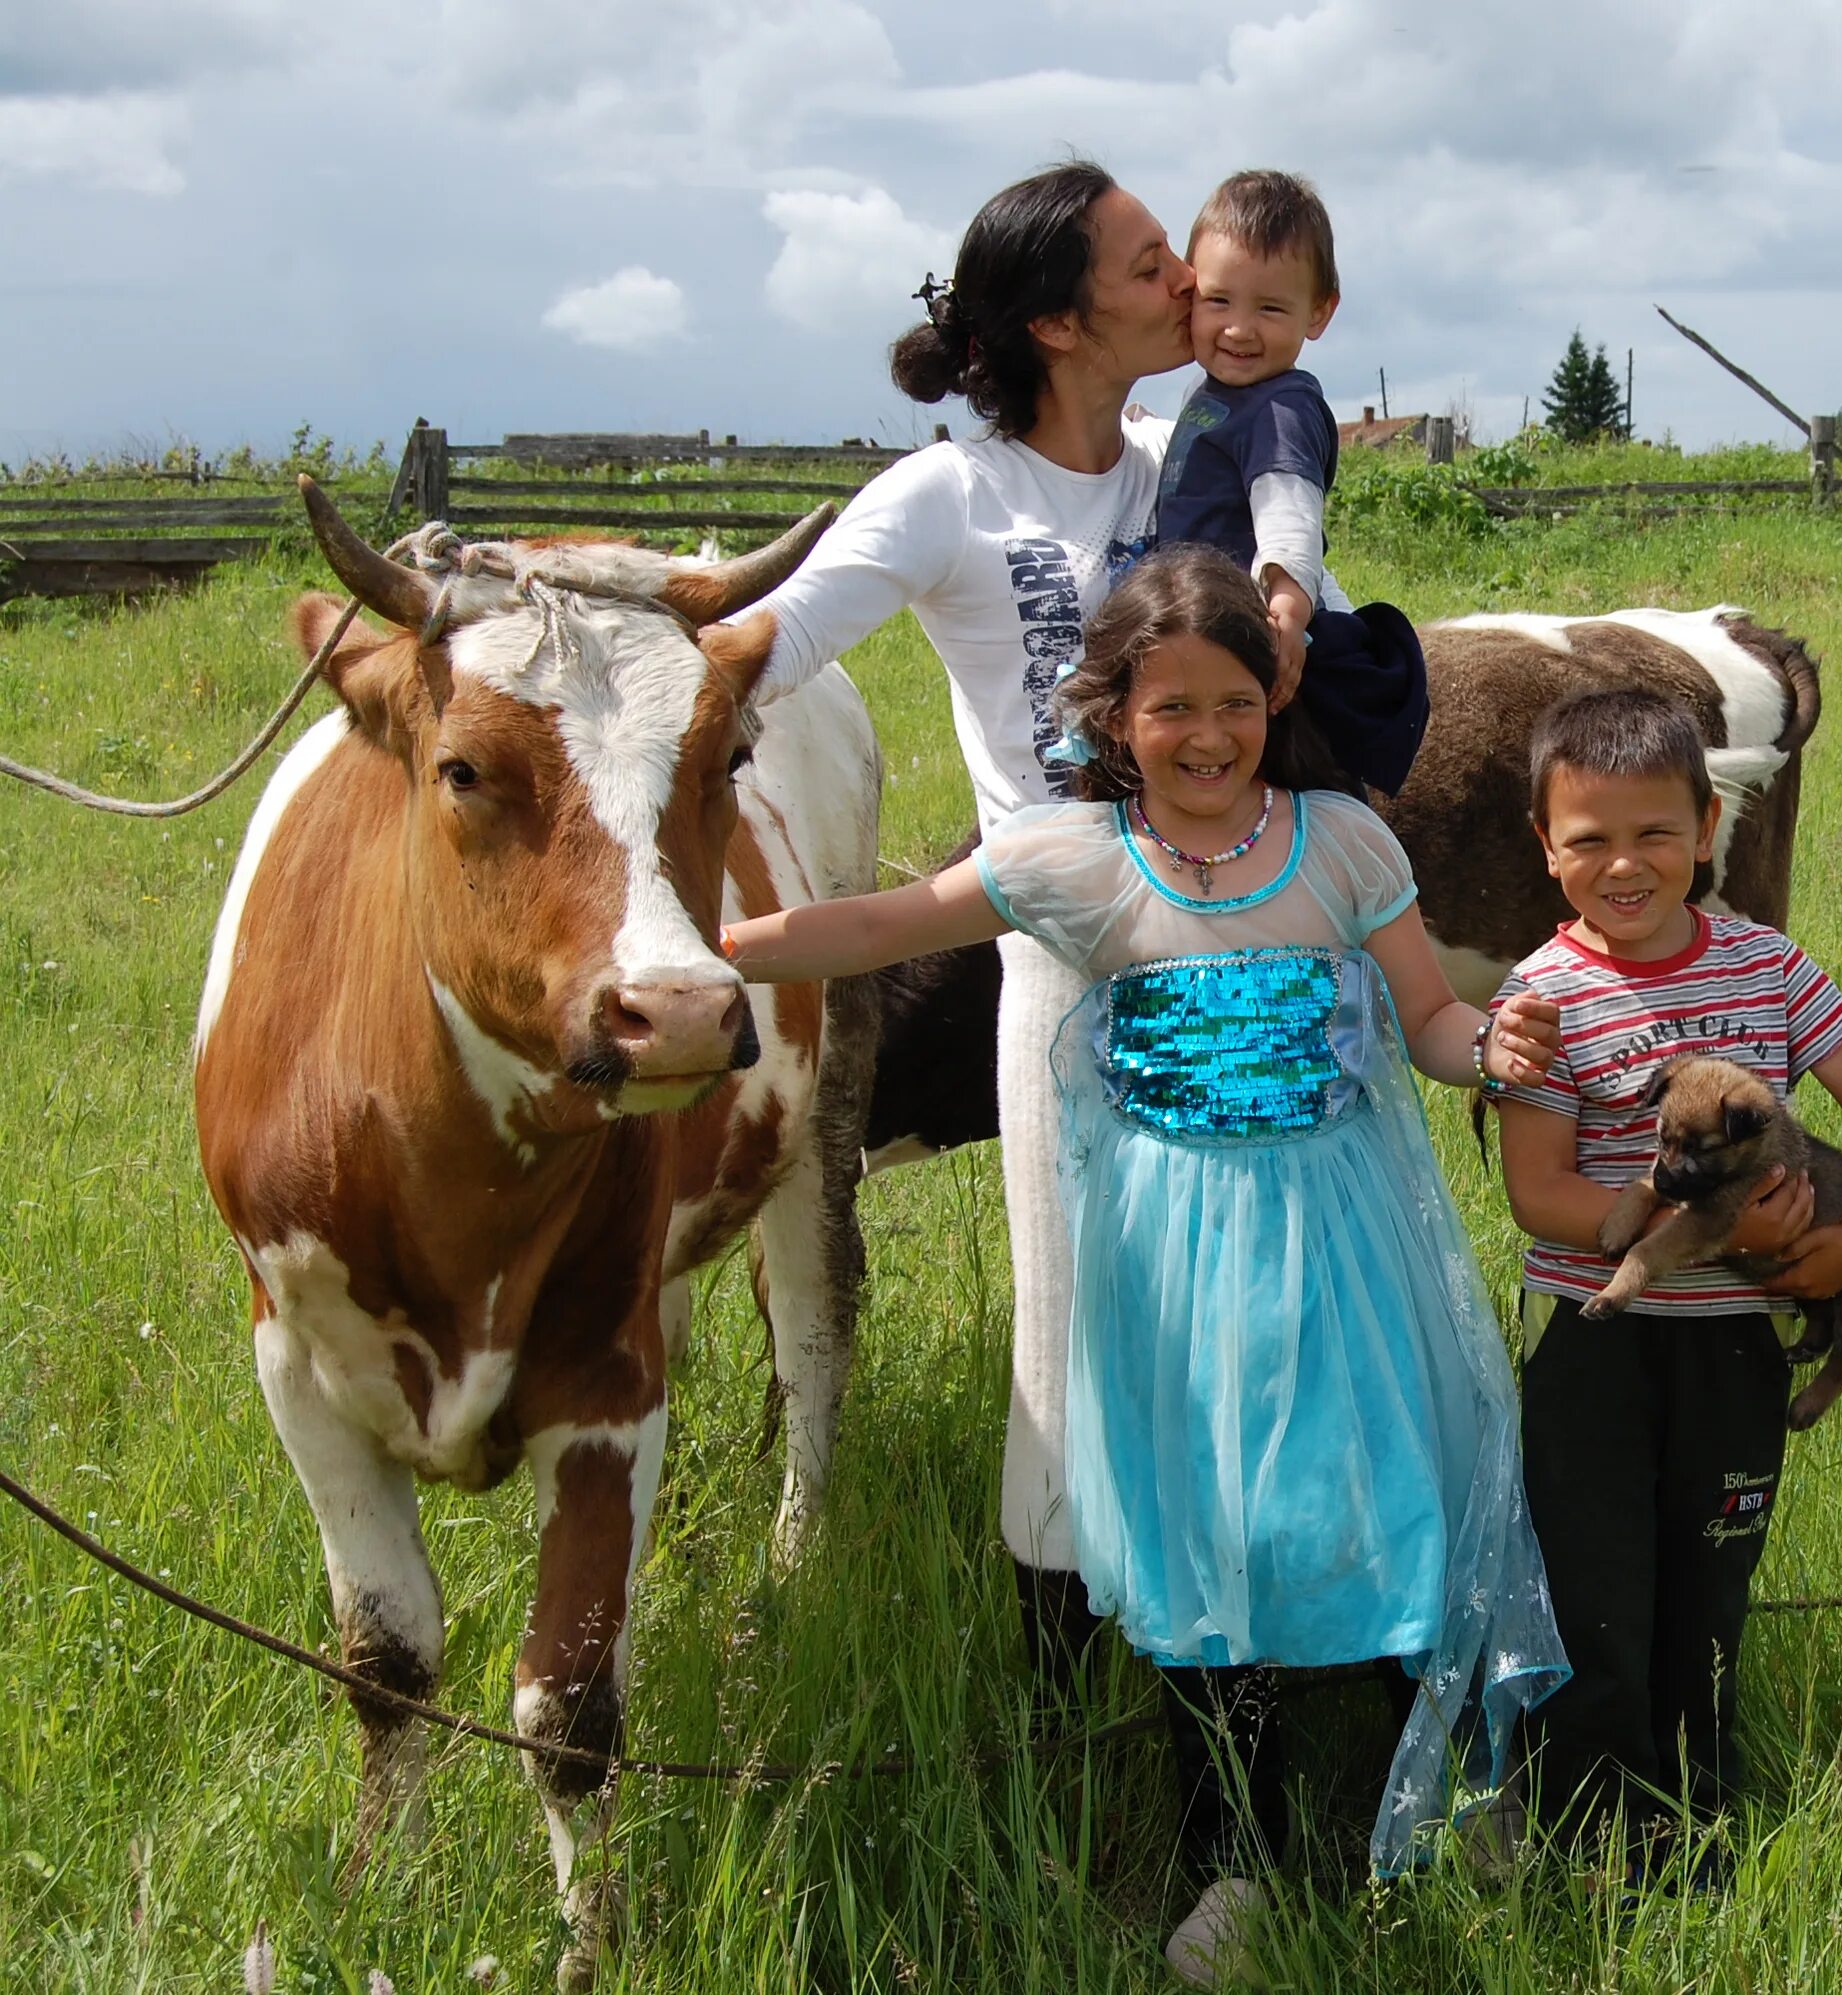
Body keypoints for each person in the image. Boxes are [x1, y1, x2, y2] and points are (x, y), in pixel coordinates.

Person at [722, 548, 1570, 1979]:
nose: (1207, 733)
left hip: (1339, 1237)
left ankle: (1434, 1797)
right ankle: (1232, 1850)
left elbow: (1429, 1018)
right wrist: (714, 938)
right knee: (1203, 1540)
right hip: (1166, 1257)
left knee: (1370, 1493)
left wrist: (1494, 1048)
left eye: (1236, 700)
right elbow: (887, 922)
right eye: (1170, 703)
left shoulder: (1345, 843)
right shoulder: (1070, 859)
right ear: (1113, 713)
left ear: (1272, 700)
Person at [729, 161, 1412, 1681]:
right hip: (1066, 942)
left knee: (1268, 1322)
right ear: (1056, 318)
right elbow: (769, 647)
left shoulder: (1199, 452)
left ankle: (1277, 1660)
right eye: (1151, 260)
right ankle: (1061, 1701)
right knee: (1070, 1329)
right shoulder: (949, 494)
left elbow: (1306, 643)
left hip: (1253, 941)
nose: (1191, 281)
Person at [1490, 689, 1842, 1874]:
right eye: (1588, 840)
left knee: (1708, 1591)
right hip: (1594, 1345)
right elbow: (1539, 1195)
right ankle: (1581, 1834)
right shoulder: (1540, 996)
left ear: (1709, 830)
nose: (1623, 865)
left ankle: (1691, 1828)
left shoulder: (1770, 967)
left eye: (1655, 835)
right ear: (1544, 846)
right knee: (1595, 1593)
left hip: (1734, 1352)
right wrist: (1693, 1229)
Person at [1156, 168, 1429, 792]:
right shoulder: (1217, 394)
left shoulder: (1281, 409)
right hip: (1218, 627)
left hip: (1263, 635)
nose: (1238, 329)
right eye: (1218, 300)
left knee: (1294, 780)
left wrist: (1285, 608)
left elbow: (1288, 511)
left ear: (1319, 312)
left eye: (1270, 308)